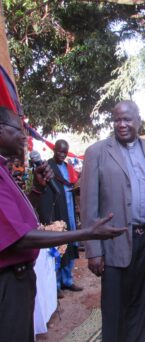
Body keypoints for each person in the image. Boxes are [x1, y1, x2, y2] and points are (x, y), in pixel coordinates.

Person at [0, 106, 127, 342]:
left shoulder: (5, 170)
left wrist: (37, 189)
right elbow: (21, 237)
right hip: (7, 282)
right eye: (18, 130)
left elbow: (19, 217)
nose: (24, 137)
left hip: (20, 279)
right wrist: (87, 232)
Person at [80, 100, 145, 342]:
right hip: (113, 242)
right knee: (114, 305)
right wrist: (93, 251)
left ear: (138, 120)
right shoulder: (97, 152)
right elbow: (89, 204)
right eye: (117, 119)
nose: (122, 124)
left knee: (141, 302)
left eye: (127, 119)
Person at [35, 139, 82, 298]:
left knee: (71, 245)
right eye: (59, 151)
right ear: (54, 150)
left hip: (69, 210)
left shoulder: (68, 167)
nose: (62, 155)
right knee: (58, 248)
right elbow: (45, 194)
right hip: (57, 213)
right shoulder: (48, 167)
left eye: (64, 152)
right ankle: (55, 285)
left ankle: (67, 281)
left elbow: (72, 184)